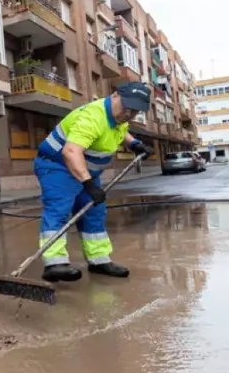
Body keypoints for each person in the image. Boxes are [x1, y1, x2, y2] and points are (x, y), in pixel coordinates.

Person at [34, 82, 154, 282]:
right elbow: (70, 152)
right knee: (59, 209)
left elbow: (120, 130)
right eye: (127, 107)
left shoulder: (118, 116)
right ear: (115, 95)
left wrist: (134, 144)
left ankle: (99, 260)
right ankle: (54, 264)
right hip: (57, 167)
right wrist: (89, 184)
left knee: (94, 212)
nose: (129, 114)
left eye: (135, 111)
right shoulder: (92, 117)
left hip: (85, 171)